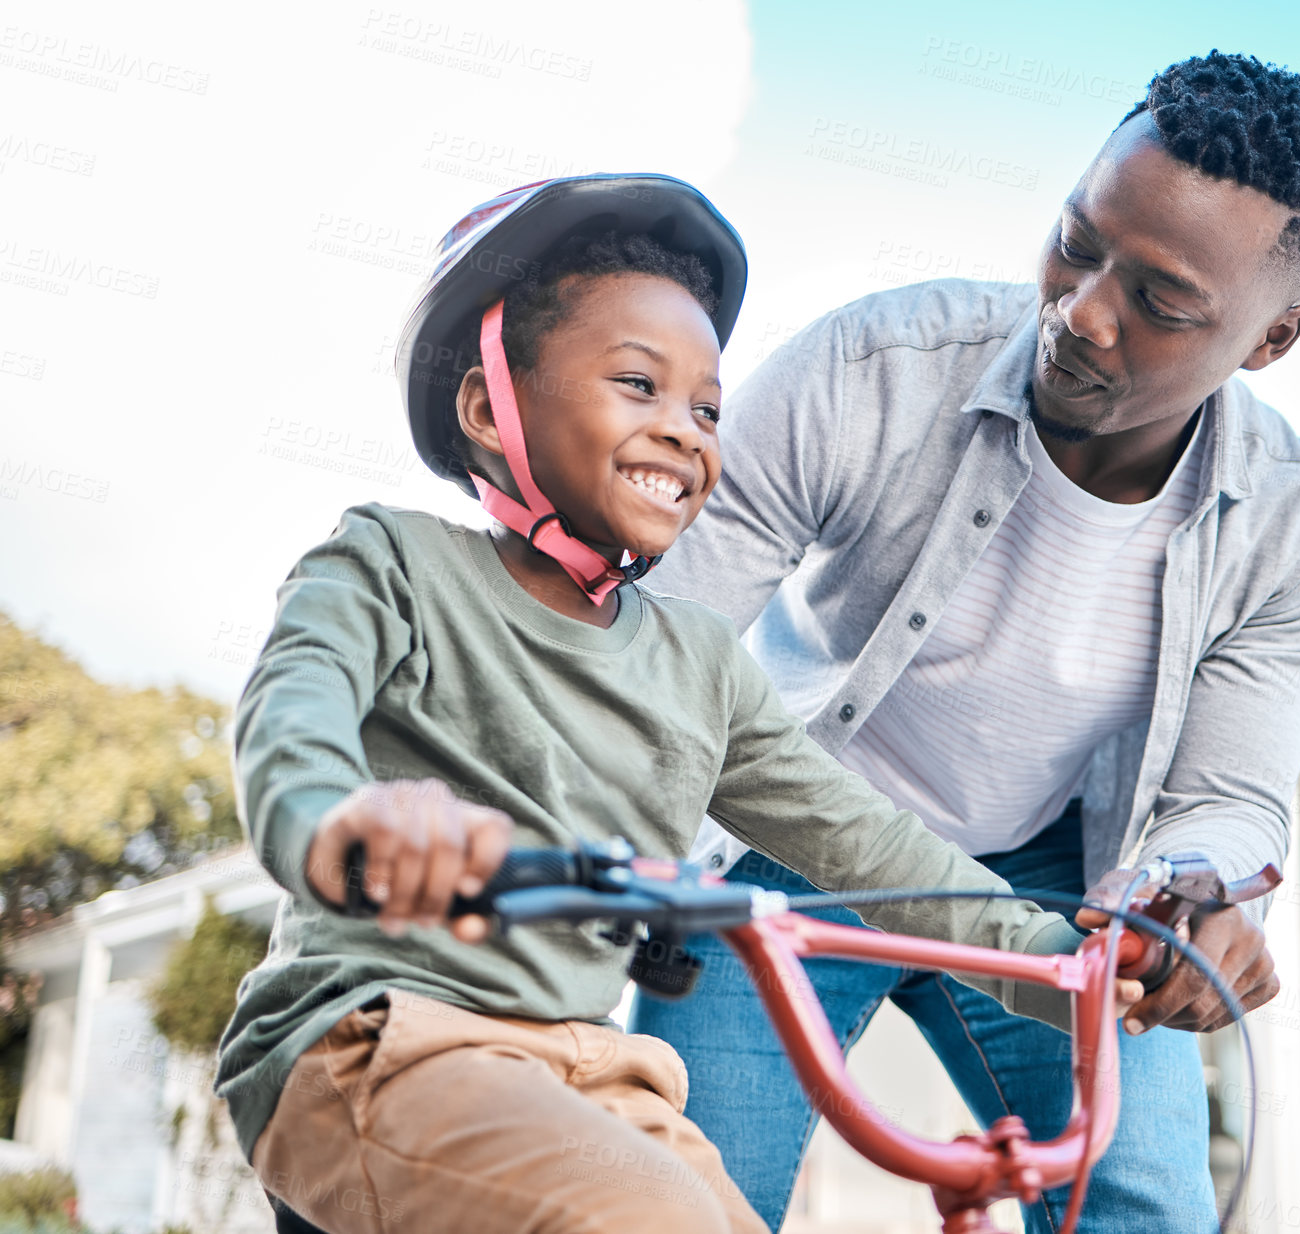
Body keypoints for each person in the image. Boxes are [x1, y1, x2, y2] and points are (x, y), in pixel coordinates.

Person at [213, 174, 1133, 1234]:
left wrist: (1061, 964)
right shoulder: (389, 562)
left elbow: (865, 845)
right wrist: (342, 819)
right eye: (637, 385)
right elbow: (292, 720)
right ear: (484, 406)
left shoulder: (698, 661)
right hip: (373, 1041)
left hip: (593, 1073)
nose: (687, 432)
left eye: (704, 406)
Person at [631, 51, 1300, 1233]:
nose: (1080, 311)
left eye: (1161, 302)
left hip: (1056, 885)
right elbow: (652, 660)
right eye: (1078, 243)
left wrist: (1195, 888)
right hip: (785, 834)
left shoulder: (1284, 518)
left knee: (1144, 1208)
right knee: (677, 1199)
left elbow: (1228, 795)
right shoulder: (871, 370)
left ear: (1268, 338)